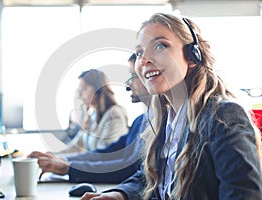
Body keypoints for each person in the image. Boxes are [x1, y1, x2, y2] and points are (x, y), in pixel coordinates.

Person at [81, 13, 262, 200]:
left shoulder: (223, 115)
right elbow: (153, 177)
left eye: (160, 46)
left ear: (192, 56)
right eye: (139, 53)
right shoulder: (166, 119)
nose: (144, 61)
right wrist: (119, 195)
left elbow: (244, 194)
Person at [29, 53, 152, 183]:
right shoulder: (139, 120)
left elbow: (121, 164)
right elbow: (98, 151)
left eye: (83, 89)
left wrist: (69, 167)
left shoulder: (115, 114)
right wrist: (53, 157)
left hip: (106, 180)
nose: (79, 94)